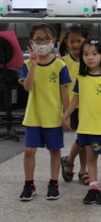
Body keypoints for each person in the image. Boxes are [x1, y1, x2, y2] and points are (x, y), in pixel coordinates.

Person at [61, 37, 101, 204]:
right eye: (86, 54)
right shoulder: (81, 77)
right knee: (90, 157)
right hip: (85, 126)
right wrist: (66, 115)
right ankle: (93, 187)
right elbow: (75, 99)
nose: (89, 57)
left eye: (94, 54)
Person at [19, 24, 71, 201]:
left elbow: (64, 91)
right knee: (28, 151)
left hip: (53, 116)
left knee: (54, 150)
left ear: (53, 41)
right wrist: (33, 66)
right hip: (33, 116)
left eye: (46, 39)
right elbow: (27, 87)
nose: (42, 43)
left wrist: (66, 113)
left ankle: (53, 183)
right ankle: (29, 184)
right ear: (31, 42)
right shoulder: (27, 64)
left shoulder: (59, 65)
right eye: (38, 40)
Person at [60, 24, 90, 186]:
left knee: (85, 139)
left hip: (89, 105)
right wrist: (65, 112)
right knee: (83, 139)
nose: (76, 44)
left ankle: (72, 162)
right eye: (72, 41)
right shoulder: (63, 62)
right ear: (66, 43)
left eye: (80, 41)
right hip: (73, 106)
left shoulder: (90, 59)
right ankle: (77, 166)